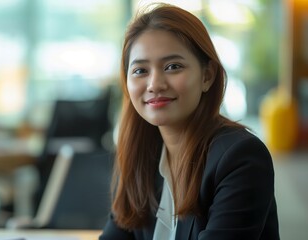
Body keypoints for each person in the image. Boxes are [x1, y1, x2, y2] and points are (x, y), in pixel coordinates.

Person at [99, 3, 279, 240]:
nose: (154, 84)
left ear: (207, 75)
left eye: (173, 67)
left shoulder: (241, 157)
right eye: (140, 70)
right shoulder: (142, 154)